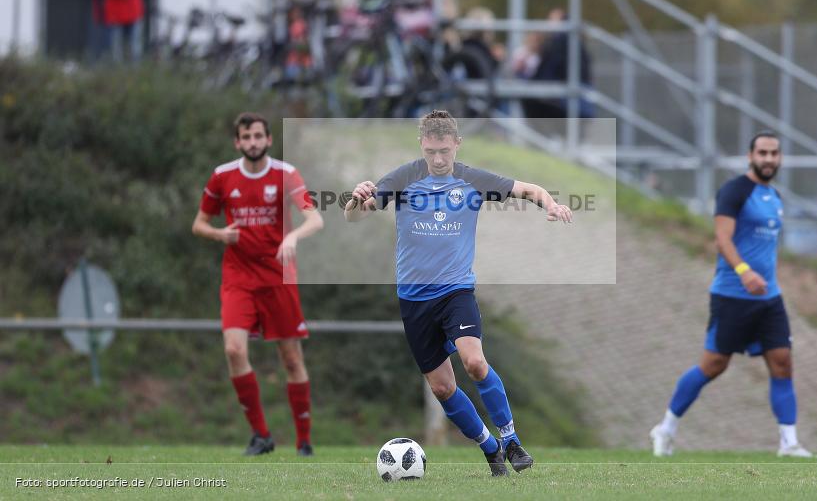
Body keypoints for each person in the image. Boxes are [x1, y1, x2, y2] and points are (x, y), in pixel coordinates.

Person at [344, 110, 573, 476]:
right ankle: (490, 447)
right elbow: (355, 216)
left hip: (456, 291)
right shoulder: (402, 178)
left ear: (457, 145)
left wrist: (552, 205)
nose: (438, 159)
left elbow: (529, 189)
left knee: (475, 362)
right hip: (414, 299)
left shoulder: (472, 179)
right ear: (421, 144)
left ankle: (512, 440)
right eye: (432, 151)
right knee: (442, 388)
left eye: (444, 151)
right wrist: (355, 199)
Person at [650, 132, 813, 458]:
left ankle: (789, 443)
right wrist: (744, 272)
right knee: (713, 365)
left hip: (769, 299)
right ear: (750, 155)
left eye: (774, 153)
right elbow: (722, 240)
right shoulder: (735, 191)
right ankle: (665, 428)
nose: (768, 159)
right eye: (762, 153)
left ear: (780, 158)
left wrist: (763, 277)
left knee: (782, 363)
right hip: (732, 295)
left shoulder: (775, 196)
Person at [192, 113, 324, 456]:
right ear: (237, 142)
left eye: (258, 136)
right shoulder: (223, 176)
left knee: (291, 358)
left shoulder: (285, 174)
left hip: (278, 277)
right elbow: (199, 224)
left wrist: (292, 237)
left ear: (268, 139)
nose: (252, 142)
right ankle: (261, 436)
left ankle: (304, 440)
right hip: (238, 277)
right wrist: (219, 233)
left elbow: (315, 218)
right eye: (245, 137)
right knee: (234, 349)